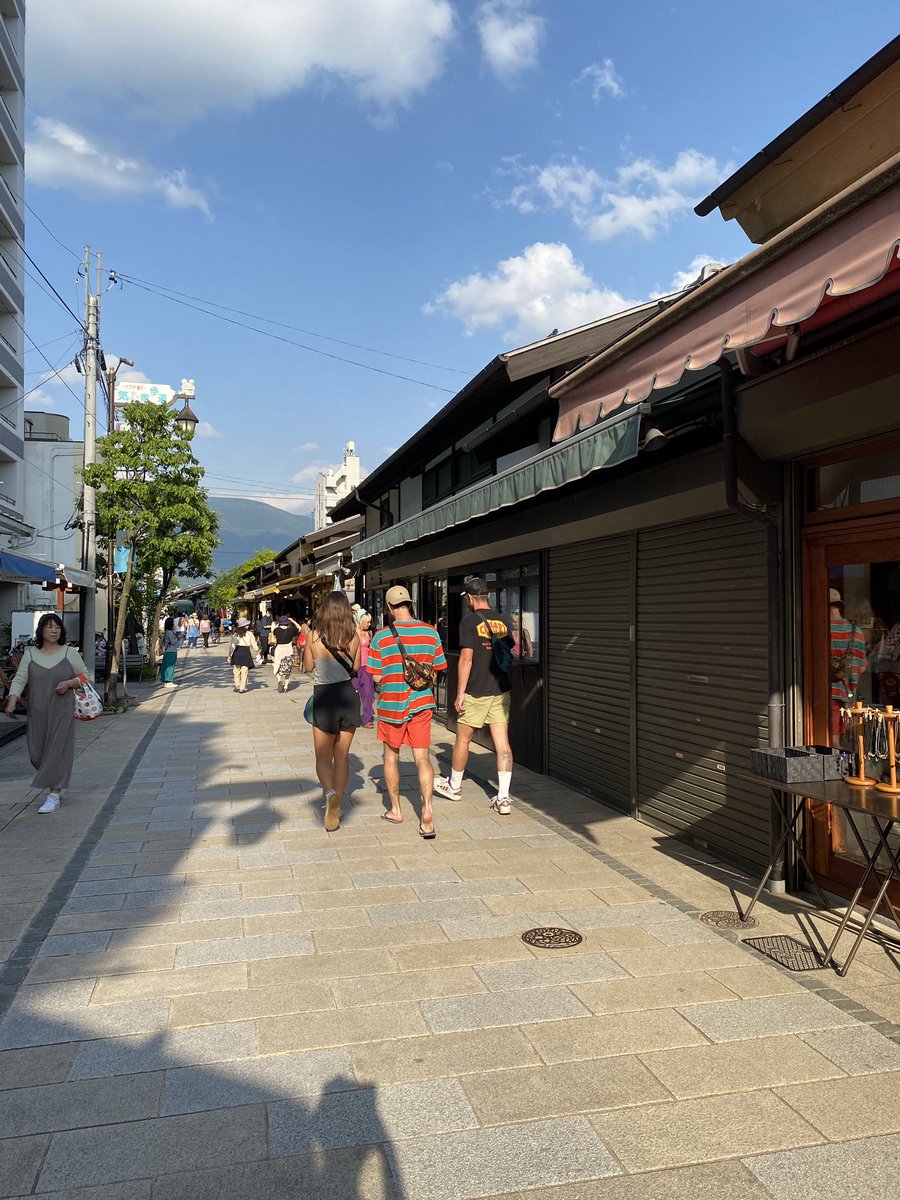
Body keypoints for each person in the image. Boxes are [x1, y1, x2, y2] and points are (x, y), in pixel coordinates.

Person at [367, 585, 446, 837]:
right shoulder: (430, 633)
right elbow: (437, 670)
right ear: (409, 604)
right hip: (422, 703)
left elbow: (377, 675)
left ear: (389, 607)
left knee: (391, 757)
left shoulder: (380, 637)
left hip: (391, 705)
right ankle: (427, 813)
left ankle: (396, 810)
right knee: (422, 758)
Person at [434, 576, 515, 814]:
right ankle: (504, 798)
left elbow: (466, 659)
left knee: (463, 739)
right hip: (500, 689)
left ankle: (454, 786)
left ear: (469, 598)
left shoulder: (468, 621)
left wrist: (459, 693)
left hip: (476, 691)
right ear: (487, 595)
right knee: (503, 743)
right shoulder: (503, 620)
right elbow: (509, 649)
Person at [3, 613, 88, 814]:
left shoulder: (69, 653)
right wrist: (12, 701)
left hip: (62, 710)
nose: (53, 630)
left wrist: (69, 683)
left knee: (57, 751)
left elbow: (85, 676)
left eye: (57, 627)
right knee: (37, 755)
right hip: (37, 711)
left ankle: (54, 795)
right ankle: (56, 779)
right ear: (41, 630)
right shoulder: (31, 654)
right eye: (49, 627)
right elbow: (20, 678)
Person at [303, 593, 361, 832]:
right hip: (348, 697)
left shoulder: (313, 636)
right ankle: (338, 798)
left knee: (323, 759)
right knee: (343, 755)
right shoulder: (354, 636)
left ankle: (329, 795)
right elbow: (356, 668)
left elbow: (307, 668)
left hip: (324, 698)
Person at [830, 588, 867, 738]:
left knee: (828, 742)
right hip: (845, 695)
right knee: (840, 741)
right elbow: (859, 668)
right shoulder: (856, 632)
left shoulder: (818, 629)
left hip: (817, 695)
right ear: (839, 605)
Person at [353, 609, 375, 727]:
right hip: (355, 666)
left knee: (367, 692)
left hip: (367, 666)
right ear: (361, 621)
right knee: (354, 692)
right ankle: (354, 716)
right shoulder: (352, 633)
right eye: (367, 622)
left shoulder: (369, 634)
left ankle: (366, 718)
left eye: (370, 622)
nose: (369, 624)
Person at [229, 617, 260, 694]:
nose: (248, 626)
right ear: (245, 625)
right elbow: (254, 644)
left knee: (236, 670)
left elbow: (232, 646)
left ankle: (237, 685)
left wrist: (229, 655)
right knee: (244, 671)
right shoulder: (249, 634)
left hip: (237, 652)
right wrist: (257, 652)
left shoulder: (236, 634)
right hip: (245, 652)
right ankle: (242, 688)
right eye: (247, 624)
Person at [272, 613, 301, 692]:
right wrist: (293, 621)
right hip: (288, 649)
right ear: (287, 623)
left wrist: (277, 623)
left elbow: (273, 631)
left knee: (277, 665)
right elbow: (300, 628)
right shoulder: (291, 630)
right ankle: (286, 687)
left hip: (279, 649)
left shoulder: (277, 630)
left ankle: (279, 680)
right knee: (288, 668)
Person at [159, 617, 179, 687]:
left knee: (166, 666)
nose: (174, 624)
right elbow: (173, 642)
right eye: (173, 623)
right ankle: (169, 681)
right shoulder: (170, 633)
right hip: (171, 651)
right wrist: (178, 637)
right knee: (170, 666)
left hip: (168, 651)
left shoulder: (167, 632)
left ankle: (164, 680)